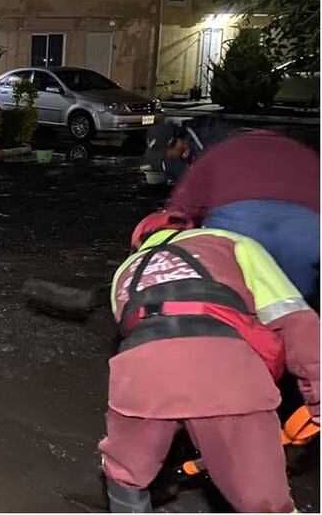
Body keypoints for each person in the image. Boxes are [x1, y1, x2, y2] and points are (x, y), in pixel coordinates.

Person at [100, 211, 319, 513]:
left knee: (125, 471)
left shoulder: (125, 271)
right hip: (226, 374)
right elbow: (296, 321)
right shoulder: (231, 242)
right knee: (264, 502)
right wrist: (316, 399)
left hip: (141, 373)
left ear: (138, 243)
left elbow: (135, 338)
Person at [164, 129, 319, 299]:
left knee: (239, 302)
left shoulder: (218, 153)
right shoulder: (303, 153)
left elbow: (179, 212)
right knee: (294, 303)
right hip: (305, 232)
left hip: (237, 228)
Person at [144, 116, 240, 183]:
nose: (168, 155)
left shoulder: (209, 135)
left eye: (167, 150)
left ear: (177, 139)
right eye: (163, 153)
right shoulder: (173, 165)